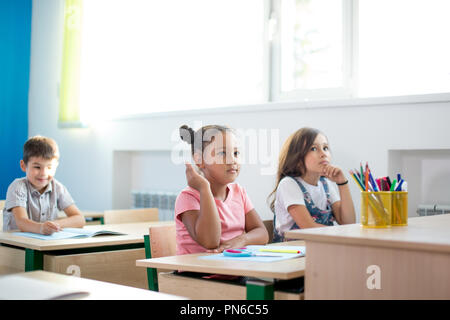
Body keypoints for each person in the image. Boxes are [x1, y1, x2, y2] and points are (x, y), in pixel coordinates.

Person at [175, 125, 268, 255]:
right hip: (198, 273)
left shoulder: (238, 192)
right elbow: (210, 242)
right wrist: (204, 189)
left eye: (235, 153)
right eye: (222, 153)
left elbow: (262, 233)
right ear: (200, 160)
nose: (232, 160)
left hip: (233, 270)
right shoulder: (188, 197)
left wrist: (242, 240)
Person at [268, 127, 355, 242]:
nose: (323, 153)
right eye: (314, 148)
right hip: (292, 252)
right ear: (297, 158)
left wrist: (342, 183)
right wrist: (344, 233)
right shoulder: (289, 184)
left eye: (325, 148)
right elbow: (309, 228)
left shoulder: (326, 184)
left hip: (321, 246)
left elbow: (348, 222)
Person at [2, 136, 85, 233]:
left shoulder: (57, 187)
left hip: (44, 244)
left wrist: (54, 226)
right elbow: (21, 222)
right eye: (37, 167)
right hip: (16, 245)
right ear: (23, 165)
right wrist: (41, 228)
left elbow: (80, 219)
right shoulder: (18, 187)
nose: (43, 173)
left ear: (56, 166)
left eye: (49, 167)